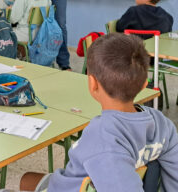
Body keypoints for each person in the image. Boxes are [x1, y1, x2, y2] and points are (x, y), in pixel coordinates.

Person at [9, 33, 178, 192]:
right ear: (143, 85)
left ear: (92, 83)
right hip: (74, 182)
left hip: (72, 187)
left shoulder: (102, 139)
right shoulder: (162, 124)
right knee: (26, 178)